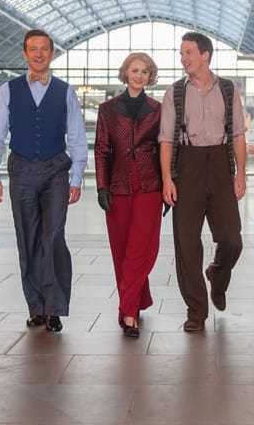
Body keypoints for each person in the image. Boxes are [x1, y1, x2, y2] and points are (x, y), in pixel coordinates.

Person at [0, 29, 88, 333]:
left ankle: (53, 307)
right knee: (27, 237)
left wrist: (77, 177)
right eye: (33, 49)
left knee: (53, 235)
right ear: (25, 54)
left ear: (52, 53)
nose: (39, 54)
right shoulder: (8, 90)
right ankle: (36, 305)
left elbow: (78, 138)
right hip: (22, 168)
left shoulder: (66, 91)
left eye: (44, 49)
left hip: (56, 168)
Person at [159, 31, 247, 333]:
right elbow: (166, 140)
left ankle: (218, 275)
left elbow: (237, 134)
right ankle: (196, 311)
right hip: (187, 166)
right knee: (186, 244)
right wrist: (167, 179)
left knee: (232, 238)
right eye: (181, 53)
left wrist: (240, 174)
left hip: (221, 166)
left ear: (205, 55)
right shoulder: (174, 93)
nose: (183, 58)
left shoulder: (228, 89)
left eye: (188, 53)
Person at [94, 52, 163, 338]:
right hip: (118, 186)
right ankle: (138, 298)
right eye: (135, 70)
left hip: (150, 186)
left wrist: (170, 185)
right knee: (122, 249)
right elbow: (101, 150)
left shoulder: (158, 109)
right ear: (126, 73)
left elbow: (165, 148)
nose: (139, 75)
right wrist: (101, 186)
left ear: (150, 77)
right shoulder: (107, 109)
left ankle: (129, 312)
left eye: (145, 71)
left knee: (141, 248)